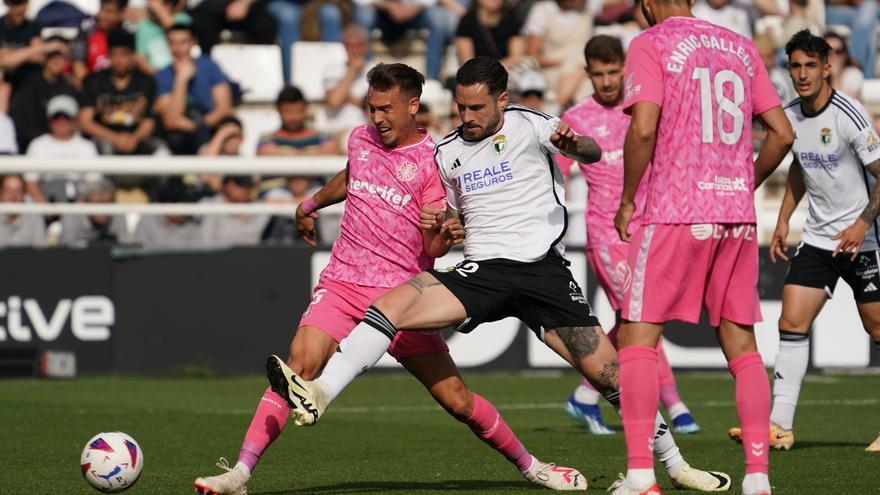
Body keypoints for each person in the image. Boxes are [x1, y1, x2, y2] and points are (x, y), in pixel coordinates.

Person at [269, 57, 733, 493]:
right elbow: (451, 216)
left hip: (542, 271)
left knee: (611, 375)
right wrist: (448, 226)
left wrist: (579, 144)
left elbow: (592, 153)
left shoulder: (533, 125)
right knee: (391, 305)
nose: (466, 116)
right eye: (460, 107)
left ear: (502, 100)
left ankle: (677, 466)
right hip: (484, 269)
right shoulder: (447, 153)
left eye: (476, 107)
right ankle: (321, 392)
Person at [192, 62, 589, 494]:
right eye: (371, 107)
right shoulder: (360, 138)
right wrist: (310, 204)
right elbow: (352, 176)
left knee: (457, 400)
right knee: (298, 366)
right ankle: (240, 474)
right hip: (343, 282)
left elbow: (436, 249)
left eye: (385, 109)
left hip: (400, 300)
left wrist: (441, 232)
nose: (376, 118)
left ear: (413, 106)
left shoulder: (432, 160)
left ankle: (533, 466)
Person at [609, 0, 794, 492]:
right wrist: (741, 182)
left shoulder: (650, 43)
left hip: (675, 209)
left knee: (638, 338)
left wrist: (627, 200)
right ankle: (758, 478)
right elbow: (782, 133)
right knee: (743, 346)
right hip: (735, 217)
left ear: (648, 2)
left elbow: (644, 127)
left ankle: (641, 476)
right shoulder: (740, 45)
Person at [727, 30, 880, 454]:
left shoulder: (849, 115)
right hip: (817, 240)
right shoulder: (790, 116)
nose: (802, 74)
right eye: (795, 66)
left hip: (861, 242)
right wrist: (782, 219)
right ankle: (779, 425)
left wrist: (861, 225)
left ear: (827, 68)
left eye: (811, 65)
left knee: (877, 327)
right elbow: (800, 166)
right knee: (791, 322)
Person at [556, 35, 700, 437]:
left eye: (613, 72)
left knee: (637, 319)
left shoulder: (642, 109)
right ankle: (675, 404)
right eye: (598, 74)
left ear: (625, 69)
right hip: (606, 233)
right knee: (641, 315)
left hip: (648, 229)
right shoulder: (577, 119)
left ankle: (585, 395)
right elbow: (559, 175)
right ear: (587, 73)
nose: (606, 81)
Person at [153, 23, 233, 154]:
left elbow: (224, 109)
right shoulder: (161, 75)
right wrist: (181, 79)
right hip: (177, 134)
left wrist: (196, 126)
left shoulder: (210, 66)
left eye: (183, 42)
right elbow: (172, 117)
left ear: (193, 42)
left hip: (206, 128)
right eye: (173, 43)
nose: (178, 48)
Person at [79, 29, 160, 155]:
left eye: (124, 54)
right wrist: (115, 139)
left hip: (137, 138)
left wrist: (134, 138)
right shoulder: (94, 81)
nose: (119, 60)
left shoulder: (146, 82)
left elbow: (150, 121)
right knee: (103, 147)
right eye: (114, 54)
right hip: (104, 139)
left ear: (133, 55)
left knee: (160, 149)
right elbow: (85, 122)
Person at [25, 95, 100, 204]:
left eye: (66, 117)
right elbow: (30, 182)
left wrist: (77, 208)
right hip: (44, 198)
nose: (61, 121)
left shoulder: (86, 146)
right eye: (56, 117)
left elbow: (93, 183)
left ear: (75, 120)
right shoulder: (37, 145)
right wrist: (44, 207)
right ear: (49, 120)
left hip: (78, 199)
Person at [8, 35, 77, 152]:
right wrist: (42, 48)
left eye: (61, 57)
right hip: (17, 142)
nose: (56, 60)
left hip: (47, 147)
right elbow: (5, 62)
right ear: (45, 56)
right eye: (52, 55)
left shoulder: (69, 87)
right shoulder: (27, 73)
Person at [257, 86, 339, 156]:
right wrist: (312, 153)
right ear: (279, 110)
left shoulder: (323, 137)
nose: (293, 117)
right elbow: (265, 152)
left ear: (305, 108)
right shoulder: (267, 139)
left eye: (298, 111)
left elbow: (332, 150)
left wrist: (286, 154)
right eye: (288, 112)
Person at [322, 24, 374, 134]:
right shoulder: (331, 70)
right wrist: (352, 71)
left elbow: (374, 108)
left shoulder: (377, 72)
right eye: (350, 46)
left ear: (367, 46)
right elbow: (334, 102)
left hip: (366, 131)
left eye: (359, 45)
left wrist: (347, 97)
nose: (354, 50)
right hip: (335, 131)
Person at [70, 0, 130, 85]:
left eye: (109, 12)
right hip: (92, 89)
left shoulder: (128, 34)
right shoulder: (86, 31)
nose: (102, 16)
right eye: (101, 9)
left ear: (121, 14)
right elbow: (78, 66)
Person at [198, 175, 269, 245]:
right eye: (240, 184)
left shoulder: (260, 207)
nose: (246, 189)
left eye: (249, 185)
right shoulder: (210, 206)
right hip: (219, 255)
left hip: (256, 255)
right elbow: (206, 242)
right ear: (227, 185)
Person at [454, 0, 525, 66]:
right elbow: (466, 60)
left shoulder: (511, 18)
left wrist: (493, 71)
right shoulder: (467, 21)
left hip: (506, 72)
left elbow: (516, 57)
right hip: (478, 75)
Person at [60, 178, 128, 244]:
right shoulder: (71, 216)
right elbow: (65, 251)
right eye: (98, 204)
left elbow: (124, 248)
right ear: (84, 202)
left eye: (107, 204)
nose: (103, 210)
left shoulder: (118, 214)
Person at [0, 174, 47, 247]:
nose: (13, 196)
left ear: (24, 194)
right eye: (8, 190)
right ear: (1, 193)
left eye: (18, 190)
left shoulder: (34, 218)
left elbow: (41, 253)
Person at [823, 31, 863, 99]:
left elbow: (848, 107)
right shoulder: (817, 78)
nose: (834, 56)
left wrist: (835, 78)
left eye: (838, 51)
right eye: (828, 52)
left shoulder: (853, 74)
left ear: (845, 54)